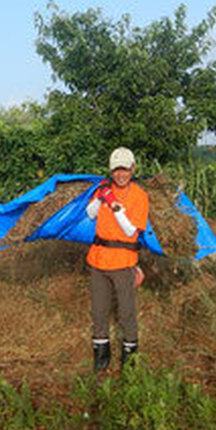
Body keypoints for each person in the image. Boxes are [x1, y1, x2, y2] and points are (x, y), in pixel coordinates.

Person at [84, 147, 150, 372]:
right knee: (99, 312)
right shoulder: (104, 188)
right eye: (116, 170)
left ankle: (129, 364)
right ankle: (100, 363)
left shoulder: (139, 196)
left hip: (123, 262)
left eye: (125, 169)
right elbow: (90, 213)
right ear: (111, 171)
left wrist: (114, 204)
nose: (121, 174)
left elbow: (131, 230)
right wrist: (101, 197)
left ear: (133, 169)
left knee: (126, 313)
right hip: (98, 261)